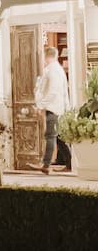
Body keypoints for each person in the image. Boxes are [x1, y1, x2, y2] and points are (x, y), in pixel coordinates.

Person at [35, 46, 70, 174]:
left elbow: (52, 91)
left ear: (46, 56)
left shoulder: (53, 70)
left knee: (50, 136)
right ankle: (69, 163)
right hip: (58, 108)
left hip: (54, 108)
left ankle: (46, 164)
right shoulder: (56, 69)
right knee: (59, 137)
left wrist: (41, 105)